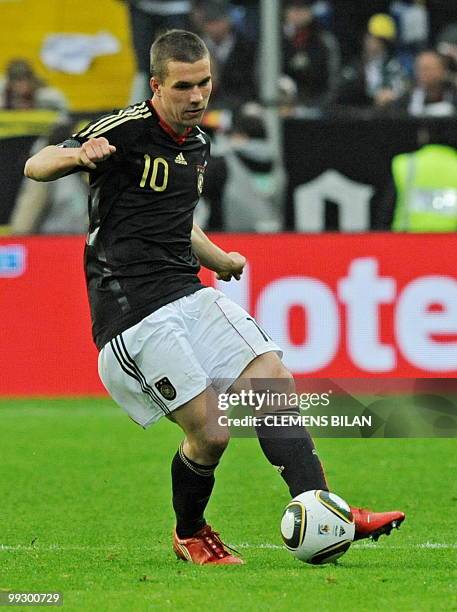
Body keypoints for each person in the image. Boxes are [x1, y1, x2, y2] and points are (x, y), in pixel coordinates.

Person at [24, 29, 405, 565]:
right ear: (156, 85)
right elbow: (35, 164)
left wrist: (219, 258)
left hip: (188, 291)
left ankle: (325, 507)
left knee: (272, 377)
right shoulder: (127, 129)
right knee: (212, 433)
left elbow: (177, 222)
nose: (198, 96)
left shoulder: (198, 143)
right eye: (183, 86)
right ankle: (190, 531)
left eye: (204, 83)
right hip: (133, 313)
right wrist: (77, 155)